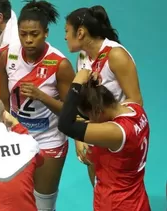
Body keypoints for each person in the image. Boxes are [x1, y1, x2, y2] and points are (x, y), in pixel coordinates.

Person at [0, 1, 75, 210]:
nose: (28, 40)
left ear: (46, 33)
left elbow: (72, 113)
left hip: (49, 139)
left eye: (35, 34)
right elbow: (3, 101)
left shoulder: (60, 65)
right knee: (14, 199)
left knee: (43, 204)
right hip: (16, 137)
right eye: (23, 34)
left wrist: (43, 96)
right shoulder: (8, 56)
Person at [64, 5, 143, 185]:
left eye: (67, 31)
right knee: (100, 192)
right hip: (95, 133)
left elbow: (136, 102)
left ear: (81, 32)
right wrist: (80, 136)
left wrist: (99, 128)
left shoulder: (116, 55)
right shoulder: (83, 57)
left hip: (115, 138)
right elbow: (84, 101)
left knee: (117, 193)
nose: (65, 36)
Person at [58, 69, 151, 211]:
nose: (90, 122)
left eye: (90, 117)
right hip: (138, 200)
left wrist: (77, 83)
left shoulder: (116, 132)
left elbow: (65, 124)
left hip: (115, 204)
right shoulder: (135, 108)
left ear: (97, 112)